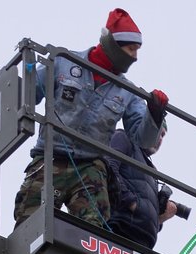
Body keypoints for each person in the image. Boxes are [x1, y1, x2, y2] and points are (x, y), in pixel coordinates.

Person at [13, 8, 168, 228]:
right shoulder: (63, 62)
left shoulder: (128, 92)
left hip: (90, 166)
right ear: (113, 44)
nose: (135, 57)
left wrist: (154, 114)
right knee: (29, 220)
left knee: (95, 230)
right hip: (50, 155)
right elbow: (27, 93)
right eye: (131, 49)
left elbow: (142, 139)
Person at [106, 124, 176, 248]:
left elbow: (145, 214)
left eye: (163, 136)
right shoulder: (124, 138)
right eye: (159, 132)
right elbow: (109, 167)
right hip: (119, 228)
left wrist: (159, 219)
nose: (160, 139)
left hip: (144, 243)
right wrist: (131, 202)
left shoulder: (152, 169)